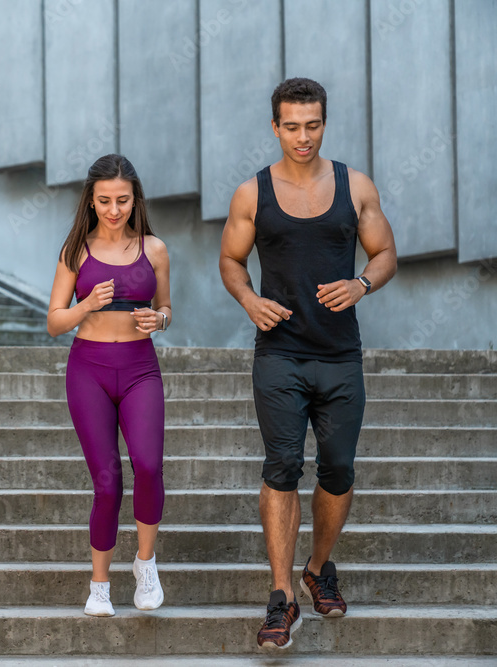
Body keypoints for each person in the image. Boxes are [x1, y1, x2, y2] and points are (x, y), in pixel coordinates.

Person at [219, 78, 398, 649]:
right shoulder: (252, 193)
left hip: (340, 355)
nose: (303, 136)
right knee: (282, 465)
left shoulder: (355, 186)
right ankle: (281, 598)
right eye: (291, 126)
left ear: (325, 123)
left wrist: (362, 283)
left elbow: (386, 252)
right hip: (280, 354)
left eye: (313, 124)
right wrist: (249, 300)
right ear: (275, 126)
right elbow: (229, 258)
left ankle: (318, 569)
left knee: (339, 469)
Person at [47, 153, 172, 617]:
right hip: (89, 370)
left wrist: (157, 319)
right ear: (91, 201)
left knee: (150, 465)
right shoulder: (75, 250)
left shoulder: (154, 248)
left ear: (135, 199)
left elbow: (167, 309)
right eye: (105, 201)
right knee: (107, 482)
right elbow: (54, 321)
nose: (114, 209)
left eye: (122, 200)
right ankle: (100, 585)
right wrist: (86, 306)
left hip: (140, 368)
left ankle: (145, 564)